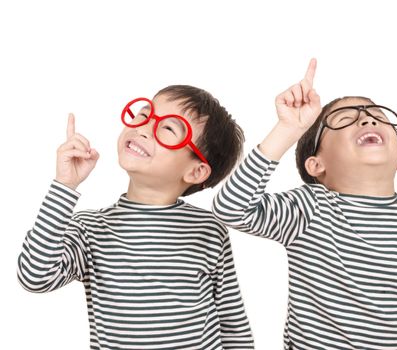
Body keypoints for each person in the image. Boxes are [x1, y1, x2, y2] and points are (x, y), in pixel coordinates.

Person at [212, 59, 397, 349]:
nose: (368, 119)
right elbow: (231, 208)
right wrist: (288, 129)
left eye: (376, 115)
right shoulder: (310, 208)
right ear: (316, 165)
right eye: (344, 120)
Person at [18, 85, 254, 349]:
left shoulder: (209, 229)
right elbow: (35, 276)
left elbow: (233, 323)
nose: (143, 128)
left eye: (167, 129)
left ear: (196, 172)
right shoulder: (90, 229)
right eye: (144, 115)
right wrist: (64, 186)